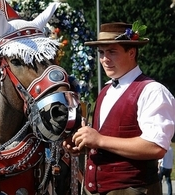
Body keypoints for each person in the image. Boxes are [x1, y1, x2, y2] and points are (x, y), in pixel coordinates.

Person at [63, 21, 175, 195]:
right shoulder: (105, 90)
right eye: (101, 52)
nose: (105, 59)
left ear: (131, 52)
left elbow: (156, 147)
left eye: (112, 52)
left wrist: (99, 140)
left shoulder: (152, 90)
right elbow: (106, 140)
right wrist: (84, 144)